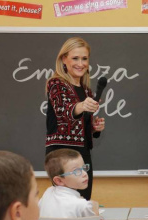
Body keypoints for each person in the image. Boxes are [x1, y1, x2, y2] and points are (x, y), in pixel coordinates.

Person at [45, 37, 105, 200]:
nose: (81, 63)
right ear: (64, 59)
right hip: (62, 154)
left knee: (83, 200)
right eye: (75, 58)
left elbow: (79, 124)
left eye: (84, 58)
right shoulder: (56, 84)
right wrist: (82, 106)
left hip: (82, 153)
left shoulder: (86, 91)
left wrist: (93, 127)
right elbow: (64, 111)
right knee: (67, 202)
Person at [40, 149, 99, 218]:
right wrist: (94, 208)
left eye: (84, 167)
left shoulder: (48, 193)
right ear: (59, 181)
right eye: (76, 171)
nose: (85, 174)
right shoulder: (82, 205)